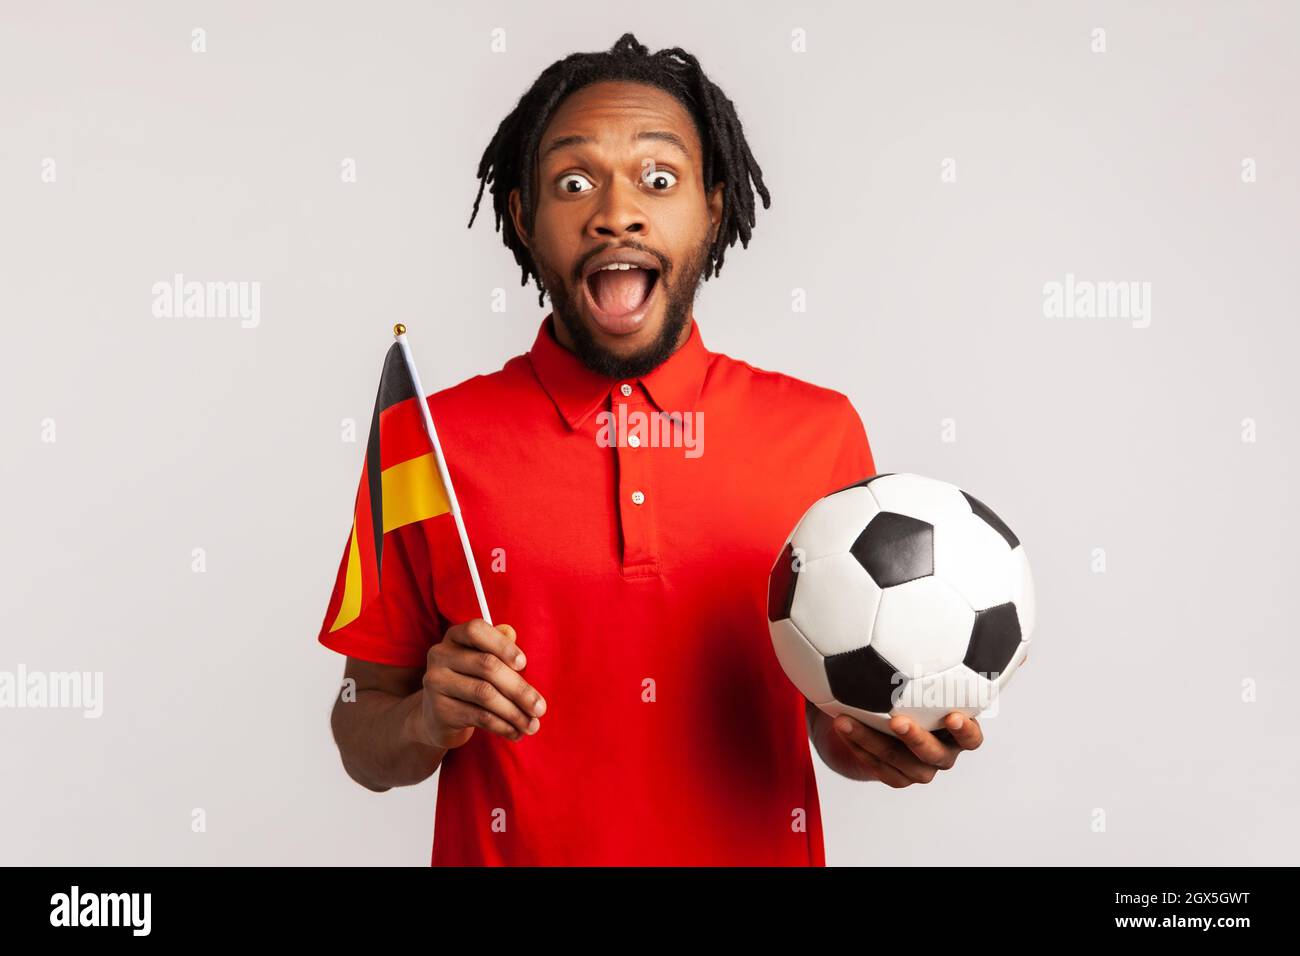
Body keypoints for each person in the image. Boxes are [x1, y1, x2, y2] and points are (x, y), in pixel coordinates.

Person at [320, 33, 984, 866]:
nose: (616, 211)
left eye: (659, 180)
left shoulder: (820, 433)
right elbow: (359, 725)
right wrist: (423, 717)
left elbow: (832, 718)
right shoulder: (425, 441)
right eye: (573, 181)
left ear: (711, 207)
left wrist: (875, 743)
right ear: (524, 218)